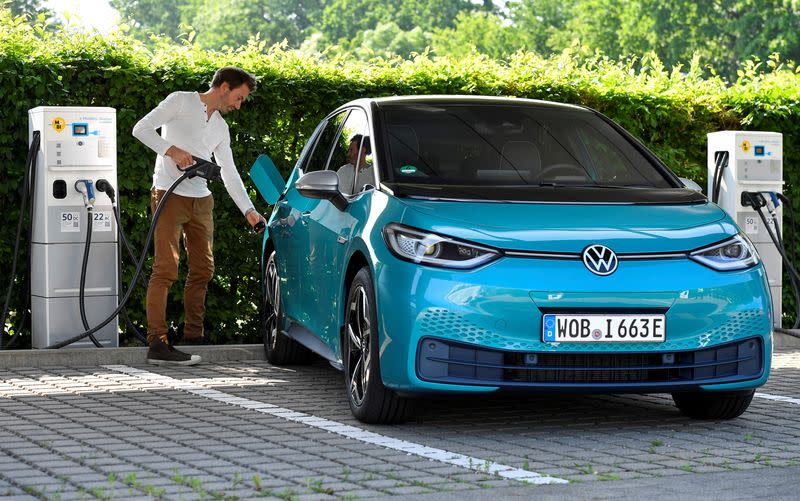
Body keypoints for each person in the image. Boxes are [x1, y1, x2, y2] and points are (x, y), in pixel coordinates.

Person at [133, 66, 265, 365]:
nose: (238, 104)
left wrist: (249, 211)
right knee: (165, 269)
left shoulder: (220, 127)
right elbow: (140, 128)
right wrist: (171, 151)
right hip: (169, 193)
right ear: (224, 87)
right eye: (239, 97)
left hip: (201, 201)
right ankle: (157, 342)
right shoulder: (180, 101)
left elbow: (229, 172)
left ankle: (193, 334)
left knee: (203, 269)